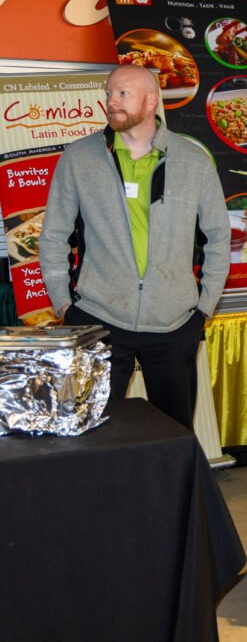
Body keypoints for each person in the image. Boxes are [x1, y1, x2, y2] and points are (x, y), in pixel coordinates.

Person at [39, 64, 231, 432]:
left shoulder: (192, 161)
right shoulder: (79, 158)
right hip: (100, 319)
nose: (112, 100)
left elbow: (219, 237)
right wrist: (64, 304)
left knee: (173, 435)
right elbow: (53, 235)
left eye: (123, 93)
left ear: (151, 100)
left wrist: (204, 308)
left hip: (174, 323)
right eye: (109, 93)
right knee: (94, 433)